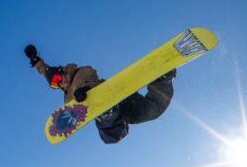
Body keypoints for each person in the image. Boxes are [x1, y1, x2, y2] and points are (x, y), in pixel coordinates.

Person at [24, 44, 176, 144]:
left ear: (62, 71)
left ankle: (161, 79)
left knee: (151, 111)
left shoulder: (78, 73)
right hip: (111, 112)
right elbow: (45, 71)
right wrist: (35, 60)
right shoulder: (68, 96)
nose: (59, 84)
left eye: (58, 79)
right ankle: (107, 114)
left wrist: (87, 90)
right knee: (113, 136)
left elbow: (90, 77)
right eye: (54, 84)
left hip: (115, 95)